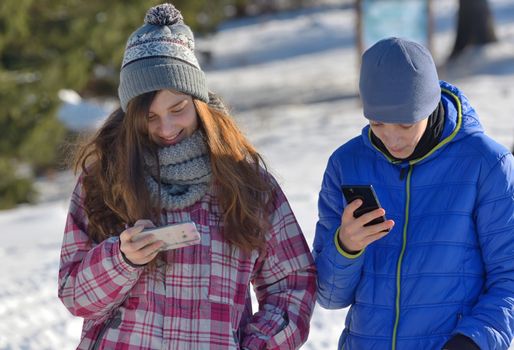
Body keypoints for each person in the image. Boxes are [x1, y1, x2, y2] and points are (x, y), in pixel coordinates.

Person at [58, 4, 316, 349]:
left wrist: (256, 345)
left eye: (178, 109)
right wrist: (122, 259)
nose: (166, 128)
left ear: (199, 102)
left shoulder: (248, 185)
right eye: (149, 117)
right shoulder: (103, 179)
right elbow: (75, 295)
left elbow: (293, 284)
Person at [313, 37, 514, 350]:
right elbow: (328, 295)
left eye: (405, 124)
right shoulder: (346, 164)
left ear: (429, 105)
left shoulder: (486, 164)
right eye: (377, 123)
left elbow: (509, 279)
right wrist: (345, 247)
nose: (392, 138)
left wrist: (472, 342)